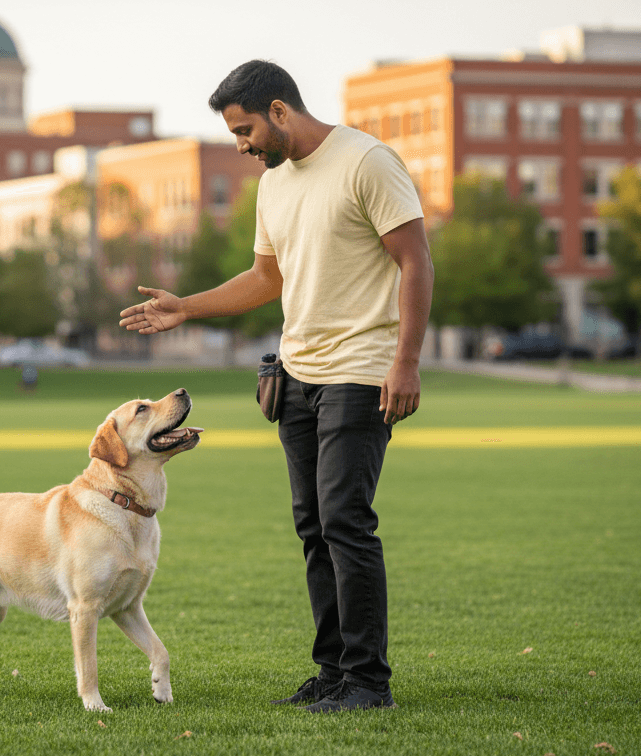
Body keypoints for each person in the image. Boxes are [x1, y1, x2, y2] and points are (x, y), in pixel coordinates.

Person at [118, 60, 433, 713]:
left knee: (346, 520)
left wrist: (405, 362)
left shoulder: (366, 162)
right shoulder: (275, 186)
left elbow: (415, 260)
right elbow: (267, 279)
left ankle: (369, 683)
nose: (241, 145)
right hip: (296, 374)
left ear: (280, 110)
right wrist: (188, 307)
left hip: (360, 369)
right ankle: (335, 670)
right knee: (314, 527)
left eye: (244, 129)